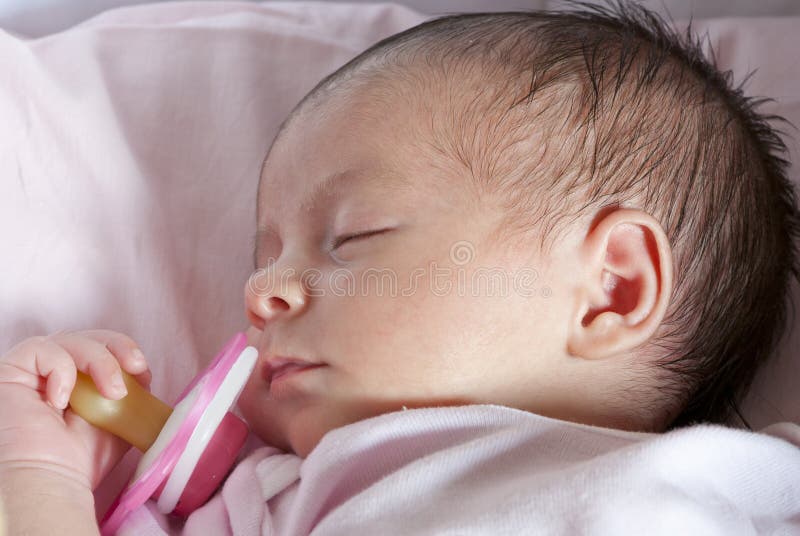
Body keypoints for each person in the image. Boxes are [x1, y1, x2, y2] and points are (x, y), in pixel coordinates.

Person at [2, 2, 799, 534]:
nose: (256, 293)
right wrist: (38, 471)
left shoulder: (742, 483)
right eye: (264, 255)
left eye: (352, 237)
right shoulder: (261, 502)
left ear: (611, 289)